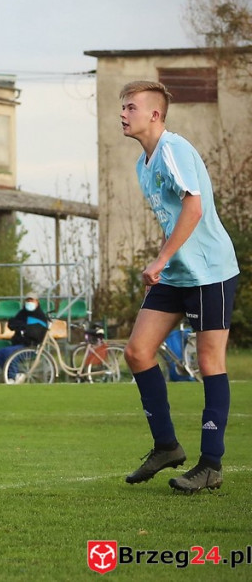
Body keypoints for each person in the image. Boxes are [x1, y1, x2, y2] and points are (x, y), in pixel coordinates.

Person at [117, 80, 239, 494]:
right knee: (137, 352)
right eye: (123, 107)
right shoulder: (143, 163)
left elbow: (194, 207)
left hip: (210, 272)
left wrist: (159, 260)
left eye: (130, 107)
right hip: (176, 274)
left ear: (155, 114)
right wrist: (164, 265)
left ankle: (211, 464)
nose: (122, 114)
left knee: (209, 362)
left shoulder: (174, 149)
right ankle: (167, 446)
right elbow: (172, 220)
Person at [0, 297, 49, 383]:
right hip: (19, 344)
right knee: (0, 353)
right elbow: (12, 324)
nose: (29, 302)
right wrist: (23, 326)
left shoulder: (40, 317)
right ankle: (10, 376)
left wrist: (23, 327)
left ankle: (14, 377)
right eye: (27, 300)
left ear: (37, 302)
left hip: (30, 346)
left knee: (9, 353)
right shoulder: (22, 313)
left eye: (31, 300)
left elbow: (35, 333)